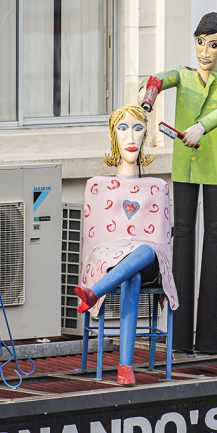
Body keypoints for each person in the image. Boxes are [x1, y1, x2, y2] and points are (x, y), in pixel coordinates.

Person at [138, 12, 217, 354]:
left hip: (216, 165)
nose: (205, 51)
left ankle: (209, 338)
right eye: (200, 42)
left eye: (213, 45)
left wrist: (203, 126)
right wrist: (149, 94)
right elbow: (156, 79)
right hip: (185, 166)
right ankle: (179, 336)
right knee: (183, 237)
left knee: (215, 236)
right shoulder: (183, 75)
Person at [74, 104, 178, 385]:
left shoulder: (158, 187)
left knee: (143, 250)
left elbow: (161, 242)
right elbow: (93, 242)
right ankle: (125, 368)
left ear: (145, 135)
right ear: (113, 135)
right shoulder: (97, 186)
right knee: (131, 274)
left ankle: (94, 292)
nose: (131, 137)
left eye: (138, 128)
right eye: (123, 129)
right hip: (115, 262)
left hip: (150, 261)